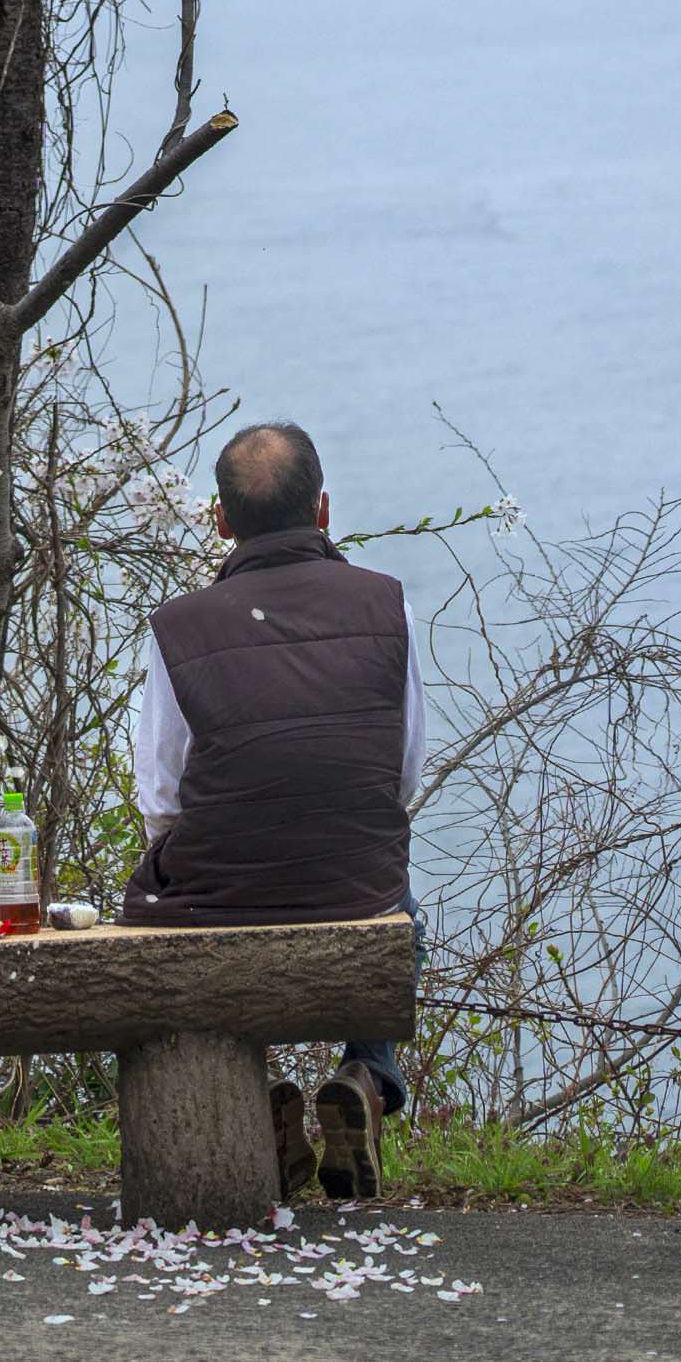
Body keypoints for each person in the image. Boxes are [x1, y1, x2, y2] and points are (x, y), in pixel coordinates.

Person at [120, 420, 425, 1205]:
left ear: (222, 520)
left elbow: (161, 802)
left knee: (158, 901)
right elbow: (401, 776)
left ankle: (260, 1111)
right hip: (357, 893)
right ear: (322, 509)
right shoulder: (387, 604)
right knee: (398, 895)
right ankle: (368, 1073)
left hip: (217, 902)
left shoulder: (178, 627)